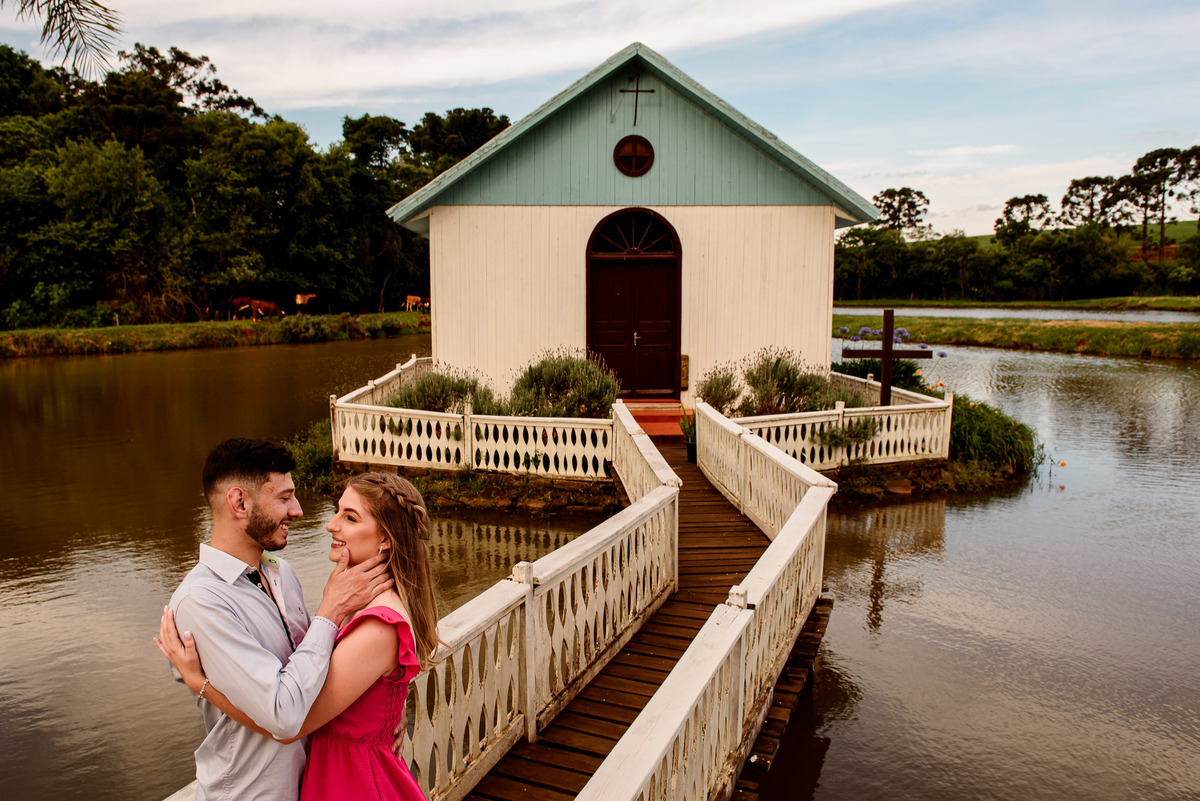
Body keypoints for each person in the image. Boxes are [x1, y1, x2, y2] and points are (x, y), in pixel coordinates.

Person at [159, 471, 440, 801]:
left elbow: (291, 720)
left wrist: (201, 684)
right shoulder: (361, 602)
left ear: (386, 539)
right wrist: (387, 716)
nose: (330, 525)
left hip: (353, 781)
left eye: (349, 517)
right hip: (333, 773)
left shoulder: (379, 623)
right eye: (338, 511)